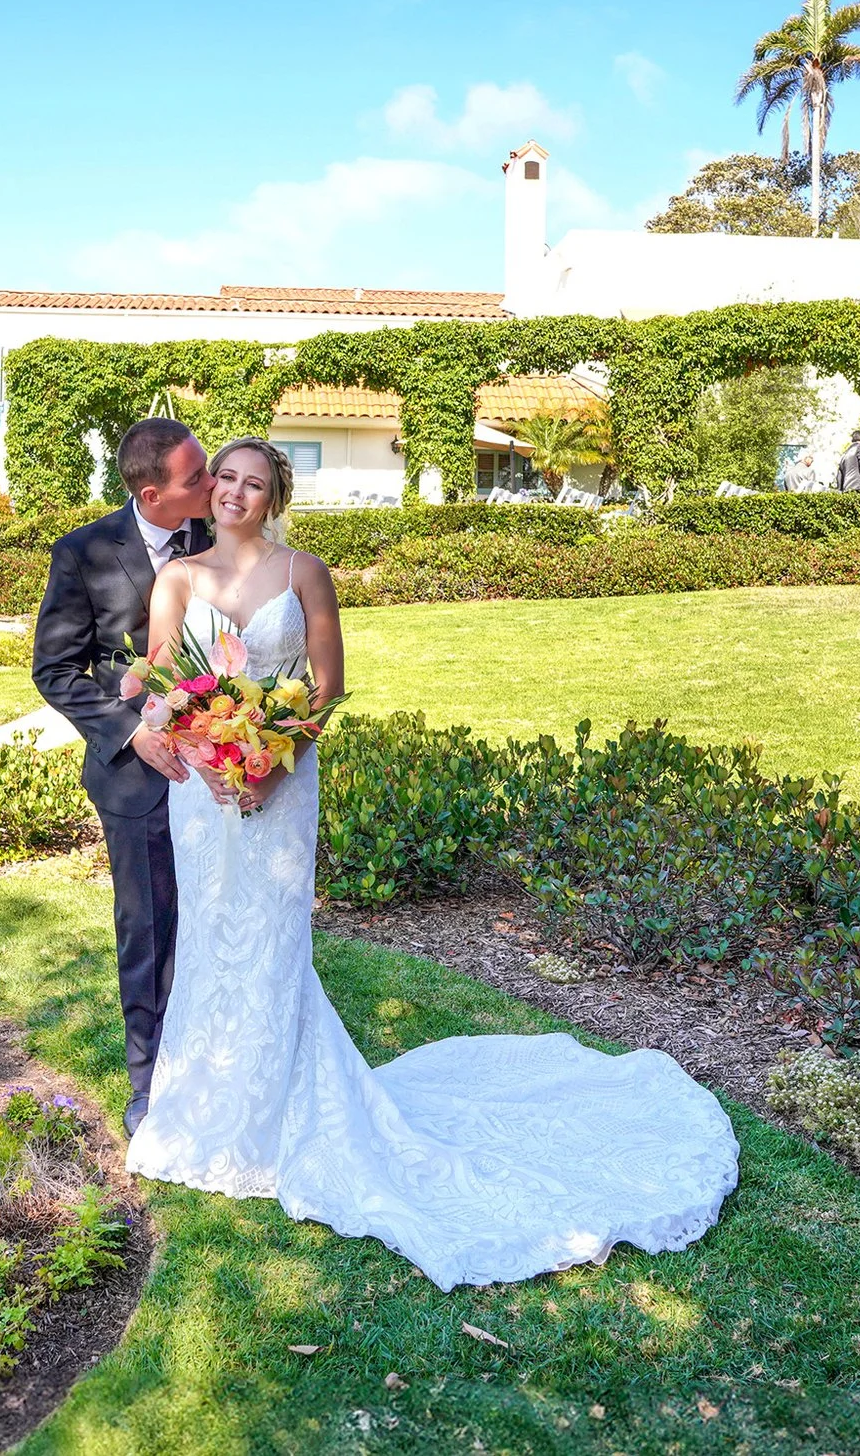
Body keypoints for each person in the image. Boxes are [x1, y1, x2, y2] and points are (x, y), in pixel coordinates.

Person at [124, 436, 741, 1289]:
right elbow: (163, 682)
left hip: (277, 785)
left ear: (275, 496)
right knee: (208, 941)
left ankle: (275, 1116)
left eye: (253, 483)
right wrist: (182, 736)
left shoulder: (305, 573)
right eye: (224, 478)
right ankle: (204, 1109)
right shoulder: (178, 581)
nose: (234, 491)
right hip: (202, 793)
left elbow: (327, 687)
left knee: (267, 945)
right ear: (210, 490)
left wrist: (270, 764)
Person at [30, 418, 214, 1135]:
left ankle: (220, 1062)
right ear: (151, 492)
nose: (212, 484)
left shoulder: (220, 537)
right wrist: (133, 732)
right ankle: (149, 1083)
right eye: (196, 477)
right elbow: (54, 669)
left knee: (216, 919)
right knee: (148, 925)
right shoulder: (84, 553)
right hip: (135, 776)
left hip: (224, 769)